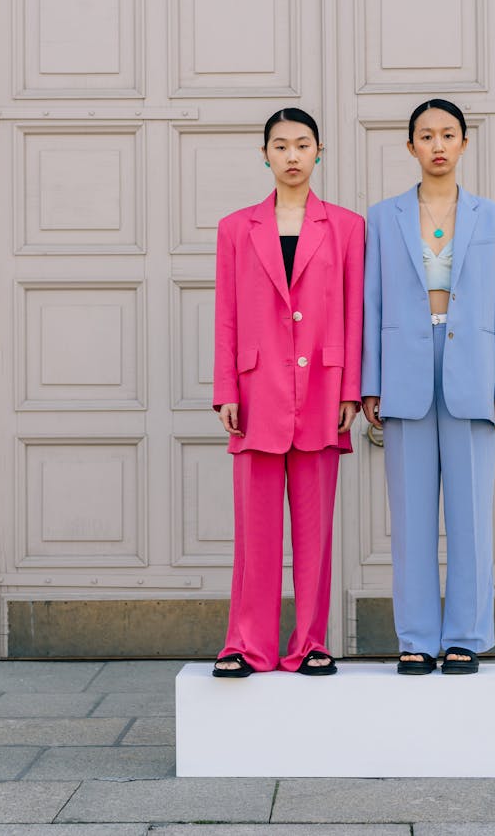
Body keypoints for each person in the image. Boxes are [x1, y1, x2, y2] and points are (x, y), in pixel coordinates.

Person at [361, 98, 495, 676]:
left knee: (472, 513)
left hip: (472, 374)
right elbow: (370, 302)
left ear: (463, 144)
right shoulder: (383, 218)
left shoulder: (492, 217)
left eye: (447, 134)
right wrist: (369, 382)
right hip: (405, 368)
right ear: (410, 147)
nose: (436, 145)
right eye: (425, 136)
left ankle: (467, 636)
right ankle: (417, 637)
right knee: (409, 518)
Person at [211, 108, 365, 677]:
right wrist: (225, 385)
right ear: (266, 156)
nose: (293, 156)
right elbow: (227, 314)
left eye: (303, 145)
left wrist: (352, 386)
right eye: (281, 146)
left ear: (319, 152)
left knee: (315, 530)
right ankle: (247, 645)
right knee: (254, 533)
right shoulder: (236, 228)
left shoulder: (347, 227)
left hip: (324, 391)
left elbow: (355, 312)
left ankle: (310, 644)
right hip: (255, 393)